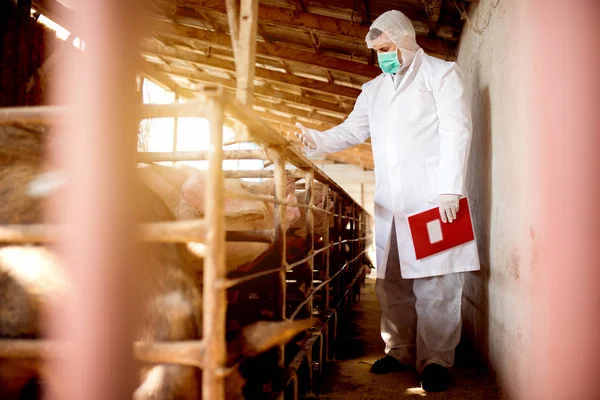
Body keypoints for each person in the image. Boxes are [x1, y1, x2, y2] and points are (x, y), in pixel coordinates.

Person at [295, 10, 480, 392]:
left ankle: (437, 362)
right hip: (391, 204)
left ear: (406, 40)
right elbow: (350, 131)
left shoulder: (441, 75)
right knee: (390, 281)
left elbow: (456, 130)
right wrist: (314, 138)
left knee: (437, 283)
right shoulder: (373, 91)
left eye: (386, 47)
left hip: (434, 199)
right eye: (377, 51)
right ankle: (399, 350)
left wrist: (450, 187)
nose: (382, 56)